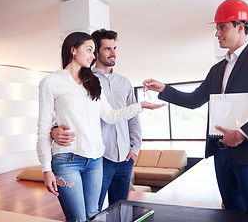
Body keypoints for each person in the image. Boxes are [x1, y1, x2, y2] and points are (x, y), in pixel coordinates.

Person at [143, 0, 248, 213]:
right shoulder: (217, 69)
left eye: (222, 27)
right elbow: (194, 101)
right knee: (231, 212)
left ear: (240, 27)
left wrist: (242, 133)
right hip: (222, 154)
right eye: (217, 28)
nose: (217, 33)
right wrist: (164, 89)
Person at [37, 32, 164, 222]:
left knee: (93, 216)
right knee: (78, 219)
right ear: (73, 50)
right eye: (89, 50)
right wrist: (46, 169)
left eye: (94, 51)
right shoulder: (51, 82)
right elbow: (43, 127)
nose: (92, 55)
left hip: (95, 160)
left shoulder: (93, 82)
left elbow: (110, 116)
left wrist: (140, 106)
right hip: (67, 161)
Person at [51, 29, 143, 211]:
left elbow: (132, 118)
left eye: (114, 48)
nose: (113, 53)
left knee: (121, 209)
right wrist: (54, 130)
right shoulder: (86, 80)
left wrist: (135, 148)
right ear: (96, 52)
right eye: (107, 49)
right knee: (94, 211)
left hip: (125, 157)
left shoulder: (125, 82)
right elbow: (65, 112)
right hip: (99, 157)